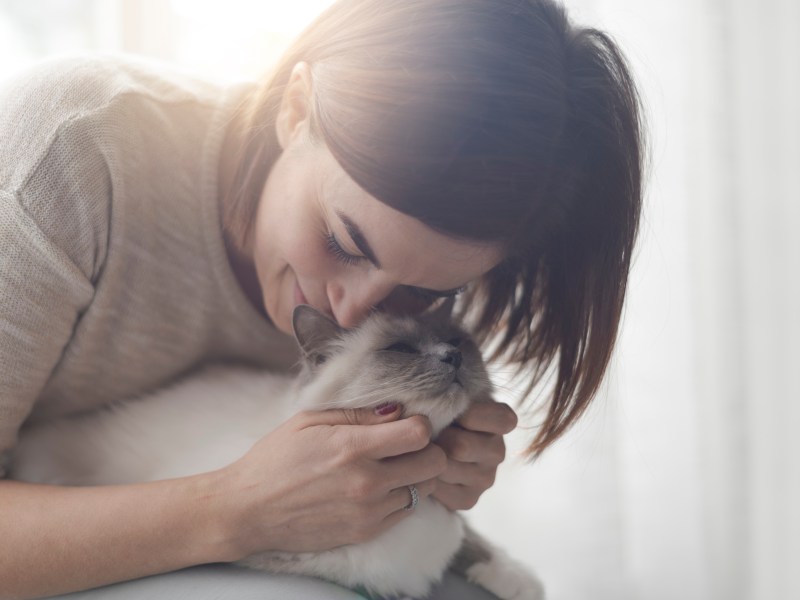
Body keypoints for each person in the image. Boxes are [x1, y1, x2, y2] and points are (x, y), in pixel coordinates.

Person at [0, 0, 644, 598]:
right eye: (342, 241)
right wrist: (234, 509)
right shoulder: (66, 158)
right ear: (296, 107)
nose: (356, 311)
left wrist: (422, 486)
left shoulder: (446, 250)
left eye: (425, 291)